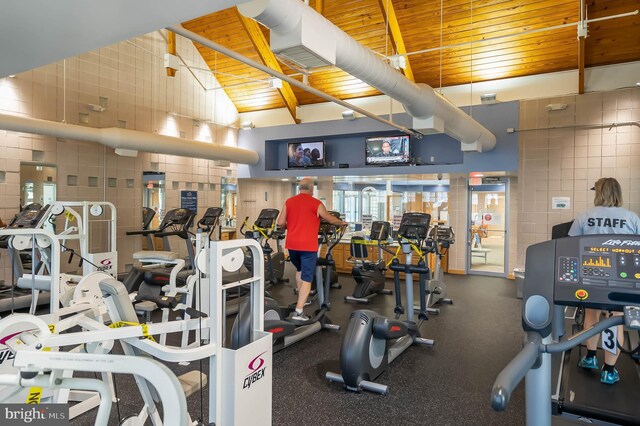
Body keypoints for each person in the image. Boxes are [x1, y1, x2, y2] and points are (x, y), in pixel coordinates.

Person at [568, 177, 640, 384]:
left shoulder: (585, 216)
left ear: (600, 193)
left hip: (593, 275)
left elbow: (571, 245)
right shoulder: (632, 218)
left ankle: (590, 357)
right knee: (616, 318)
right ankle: (609, 370)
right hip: (622, 277)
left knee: (592, 314)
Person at [277, 177, 347, 321]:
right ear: (311, 189)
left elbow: (280, 222)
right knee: (307, 278)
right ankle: (298, 312)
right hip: (308, 246)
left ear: (299, 188)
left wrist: (291, 227)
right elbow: (330, 219)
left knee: (300, 270)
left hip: (291, 245)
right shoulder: (316, 203)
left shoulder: (289, 202)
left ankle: (302, 299)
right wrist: (342, 223)